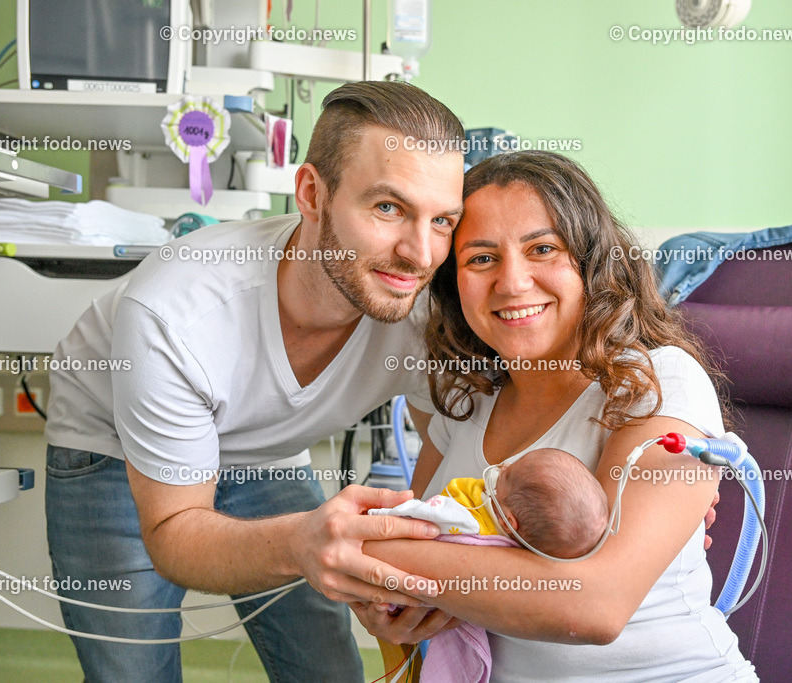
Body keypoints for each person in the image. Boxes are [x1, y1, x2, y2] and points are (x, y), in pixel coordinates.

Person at [42, 81, 468, 683]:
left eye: (443, 220)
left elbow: (445, 450)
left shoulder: (429, 310)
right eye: (388, 208)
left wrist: (401, 568)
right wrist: (303, 544)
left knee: (325, 665)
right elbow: (173, 533)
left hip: (265, 448)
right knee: (131, 670)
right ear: (312, 194)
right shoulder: (176, 312)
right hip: (111, 442)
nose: (420, 254)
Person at [355, 151, 756, 681]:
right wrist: (390, 605)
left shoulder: (658, 382)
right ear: (453, 283)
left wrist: (360, 550)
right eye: (480, 258)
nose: (513, 282)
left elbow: (593, 604)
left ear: (592, 262)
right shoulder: (463, 400)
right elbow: (412, 560)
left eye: (542, 249)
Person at [370, 447, 609, 559]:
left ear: (508, 523)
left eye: (506, 476)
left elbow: (416, 516)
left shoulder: (469, 524)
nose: (502, 466)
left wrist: (379, 514)